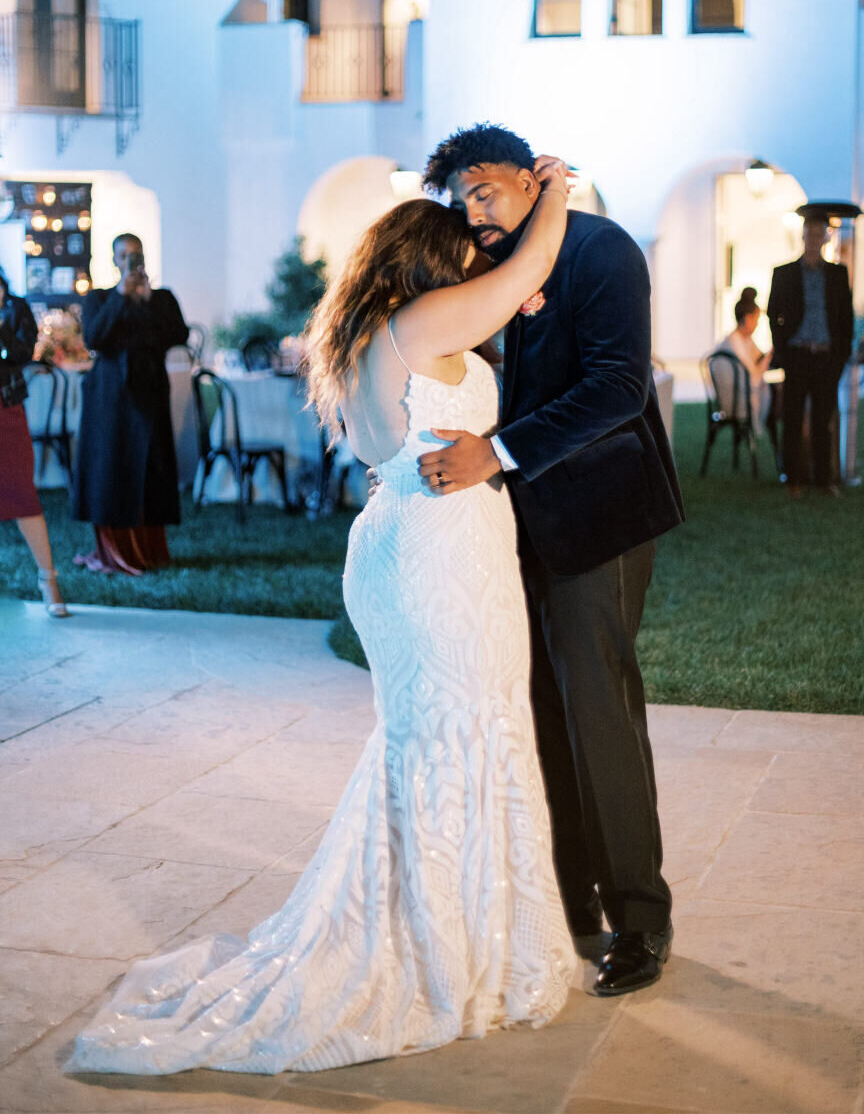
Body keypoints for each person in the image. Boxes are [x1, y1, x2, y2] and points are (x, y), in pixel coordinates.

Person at [68, 161, 579, 1075]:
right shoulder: (420, 326)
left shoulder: (396, 331)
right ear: (432, 264)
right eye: (464, 251)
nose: (477, 262)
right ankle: (441, 950)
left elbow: (506, 315)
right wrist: (552, 193)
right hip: (435, 559)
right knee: (454, 737)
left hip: (433, 549)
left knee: (455, 736)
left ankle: (461, 928)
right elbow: (529, 265)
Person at [418, 124, 684, 997]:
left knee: (596, 712)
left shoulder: (601, 252)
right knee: (540, 712)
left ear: (535, 178)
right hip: (520, 529)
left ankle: (641, 918)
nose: (475, 212)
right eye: (463, 201)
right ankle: (571, 904)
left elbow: (617, 388)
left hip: (601, 516)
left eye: (485, 191)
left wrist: (496, 453)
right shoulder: (499, 265)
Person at [72, 234, 189, 573]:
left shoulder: (161, 298)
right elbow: (94, 337)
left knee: (151, 467)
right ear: (114, 261)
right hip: (110, 397)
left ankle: (150, 548)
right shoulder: (99, 297)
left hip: (150, 393)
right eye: (123, 255)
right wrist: (122, 296)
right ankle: (113, 551)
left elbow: (177, 336)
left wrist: (146, 299)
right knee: (111, 468)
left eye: (135, 254)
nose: (130, 260)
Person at [767, 210, 854, 497]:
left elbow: (845, 318)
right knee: (792, 419)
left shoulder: (838, 274)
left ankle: (823, 479)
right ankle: (794, 478)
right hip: (798, 354)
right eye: (810, 234)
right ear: (803, 236)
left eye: (819, 234)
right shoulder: (785, 273)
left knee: (823, 419)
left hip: (827, 357)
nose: (814, 239)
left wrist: (841, 355)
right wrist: (782, 349)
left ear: (824, 238)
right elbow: (773, 313)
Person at [0, 270, 69, 617]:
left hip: (6, 408)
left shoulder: (14, 307)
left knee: (21, 493)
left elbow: (21, 354)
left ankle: (48, 581)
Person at [714, 287, 773, 432]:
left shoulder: (743, 339)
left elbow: (758, 359)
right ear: (747, 319)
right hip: (734, 400)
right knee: (777, 396)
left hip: (736, 395)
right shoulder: (735, 343)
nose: (757, 324)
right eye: (756, 320)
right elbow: (751, 377)